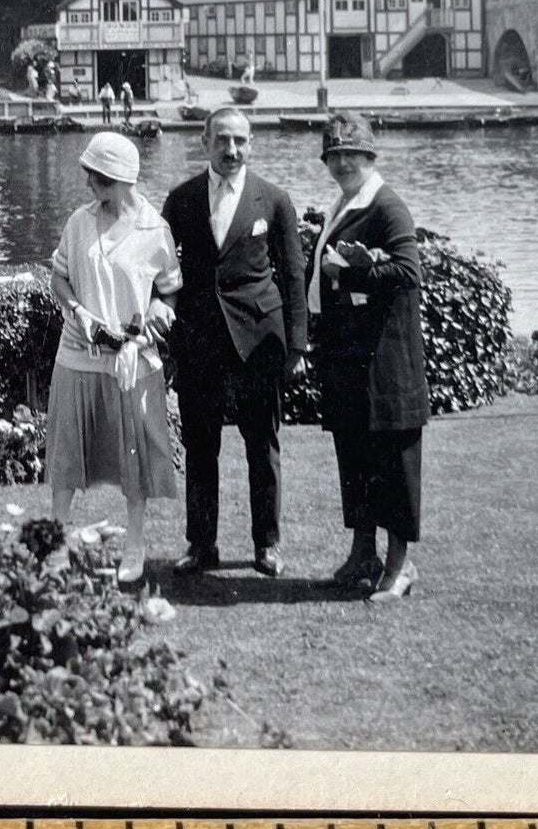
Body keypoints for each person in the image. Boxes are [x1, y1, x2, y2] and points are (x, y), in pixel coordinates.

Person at [162, 107, 307, 577]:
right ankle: (202, 544)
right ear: (203, 142)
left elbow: (292, 275)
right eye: (222, 140)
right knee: (201, 447)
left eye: (241, 141)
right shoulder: (181, 199)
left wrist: (298, 346)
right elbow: (161, 270)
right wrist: (161, 326)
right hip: (200, 340)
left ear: (252, 144)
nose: (232, 150)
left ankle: (267, 545)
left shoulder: (275, 200)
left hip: (258, 342)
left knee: (261, 444)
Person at [46, 132, 180, 587]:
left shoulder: (155, 230)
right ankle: (56, 543)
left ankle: (135, 544)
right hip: (77, 355)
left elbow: (168, 293)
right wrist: (77, 311)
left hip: (131, 359)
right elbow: (59, 277)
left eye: (99, 179)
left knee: (133, 455)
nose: (90, 186)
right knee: (67, 453)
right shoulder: (79, 221)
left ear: (124, 180)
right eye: (89, 176)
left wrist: (142, 334)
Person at [307, 111, 429, 602]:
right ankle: (364, 555)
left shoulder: (387, 206)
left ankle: (400, 566)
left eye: (350, 155)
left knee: (394, 464)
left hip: (386, 364)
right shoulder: (347, 202)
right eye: (334, 155)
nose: (341, 163)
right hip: (352, 361)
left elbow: (408, 273)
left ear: (369, 156)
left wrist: (348, 275)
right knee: (355, 459)